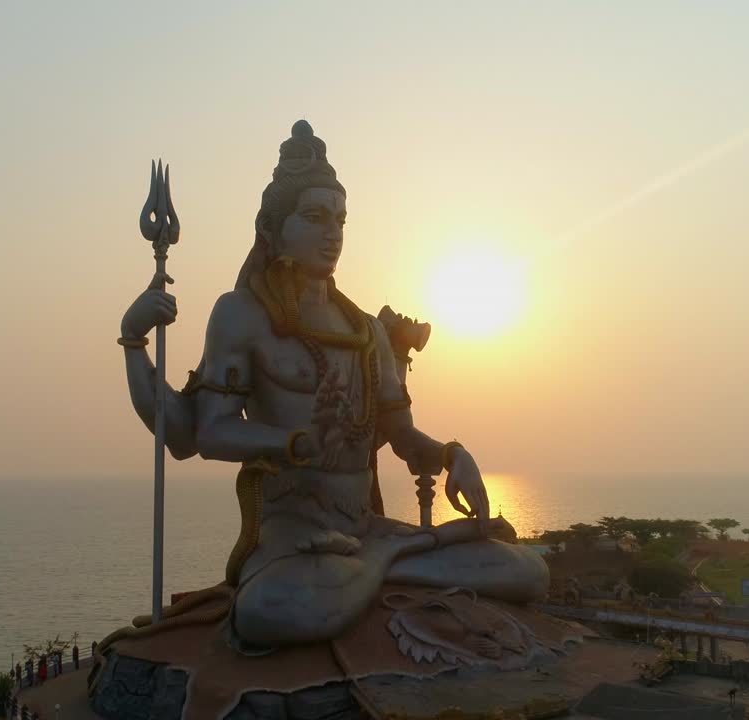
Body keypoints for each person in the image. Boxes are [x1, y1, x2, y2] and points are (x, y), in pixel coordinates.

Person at [118, 121, 548, 650]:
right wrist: (134, 341)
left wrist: (452, 455)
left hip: (364, 527)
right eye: (315, 217)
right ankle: (391, 562)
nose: (333, 233)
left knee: (527, 571)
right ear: (272, 229)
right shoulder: (242, 315)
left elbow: (402, 437)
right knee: (271, 608)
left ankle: (380, 560)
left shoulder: (365, 330)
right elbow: (206, 433)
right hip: (294, 532)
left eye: (340, 219)